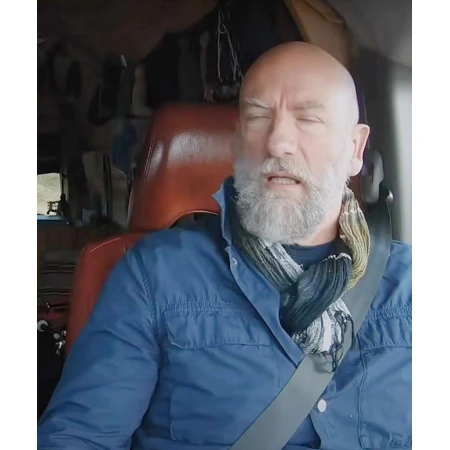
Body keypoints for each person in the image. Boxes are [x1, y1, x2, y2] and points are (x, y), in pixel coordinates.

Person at [38, 42, 412, 450]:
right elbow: (80, 438)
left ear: (355, 149)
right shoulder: (155, 277)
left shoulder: (413, 287)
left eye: (308, 118)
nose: (277, 142)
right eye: (258, 117)